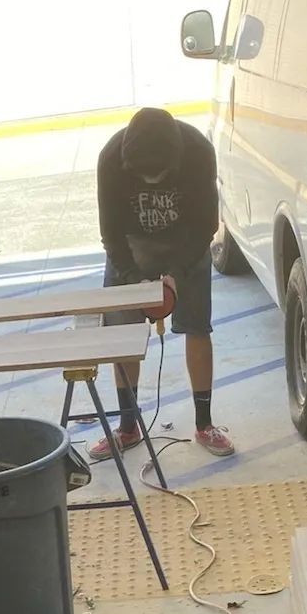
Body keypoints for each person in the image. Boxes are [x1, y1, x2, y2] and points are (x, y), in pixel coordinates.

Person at [92, 106, 233, 460]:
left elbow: (205, 224)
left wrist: (177, 269)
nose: (152, 179)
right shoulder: (111, 158)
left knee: (197, 327)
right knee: (122, 336)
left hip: (187, 243)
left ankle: (204, 424)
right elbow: (110, 232)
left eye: (161, 174)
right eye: (144, 175)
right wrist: (133, 277)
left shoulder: (199, 151)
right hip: (131, 246)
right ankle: (128, 427)